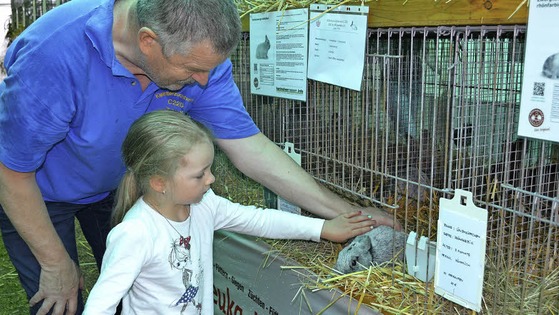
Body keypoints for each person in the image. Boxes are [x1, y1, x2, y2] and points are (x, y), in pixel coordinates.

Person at [0, 0, 397, 314]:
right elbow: (11, 172)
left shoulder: (199, 60)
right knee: (59, 295)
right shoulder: (53, 56)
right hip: (37, 192)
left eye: (210, 69)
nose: (204, 82)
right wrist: (55, 264)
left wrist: (345, 213)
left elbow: (250, 148)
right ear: (148, 41)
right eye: (193, 70)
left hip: (123, 182)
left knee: (140, 282)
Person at [83, 110, 376, 314]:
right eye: (200, 175)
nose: (211, 179)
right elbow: (101, 305)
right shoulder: (135, 234)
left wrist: (322, 228)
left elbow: (259, 220)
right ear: (159, 182)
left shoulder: (204, 204)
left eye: (210, 168)